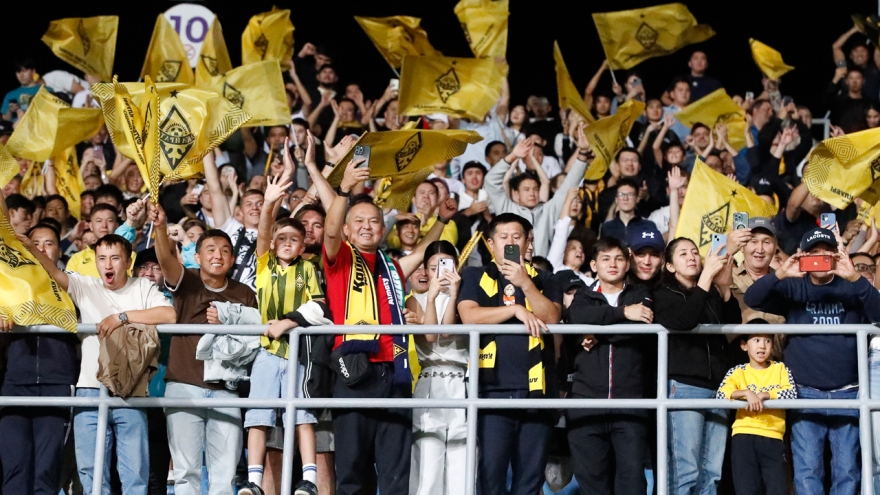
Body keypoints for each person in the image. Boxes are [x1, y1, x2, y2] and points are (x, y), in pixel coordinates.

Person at [321, 157, 447, 495]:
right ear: (348, 230)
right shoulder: (340, 259)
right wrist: (345, 190)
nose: (367, 226)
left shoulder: (390, 266)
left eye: (374, 221)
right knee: (352, 471)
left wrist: (442, 220)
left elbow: (422, 252)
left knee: (395, 472)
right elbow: (330, 230)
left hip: (395, 373)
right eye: (359, 221)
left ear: (383, 228)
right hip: (355, 372)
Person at [22, 233, 176, 495]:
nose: (108, 264)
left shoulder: (143, 287)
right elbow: (54, 272)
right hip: (90, 390)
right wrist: (31, 248)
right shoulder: (86, 285)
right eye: (102, 258)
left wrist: (121, 317)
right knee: (91, 473)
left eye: (115, 258)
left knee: (135, 473)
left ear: (128, 262)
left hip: (131, 392)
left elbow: (169, 314)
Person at [744, 227, 880, 495]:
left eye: (826, 252)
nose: (820, 257)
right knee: (807, 469)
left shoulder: (852, 285)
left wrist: (854, 276)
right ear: (802, 256)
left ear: (837, 255)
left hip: (848, 391)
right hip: (804, 391)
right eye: (813, 252)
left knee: (848, 470)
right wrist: (782, 273)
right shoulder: (793, 284)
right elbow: (752, 298)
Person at [150, 204, 258, 495]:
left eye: (224, 251)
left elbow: (253, 340)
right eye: (210, 250)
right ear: (197, 257)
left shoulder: (245, 293)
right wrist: (160, 228)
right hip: (184, 385)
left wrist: (227, 321)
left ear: (232, 259)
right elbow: (165, 260)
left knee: (225, 474)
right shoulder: (188, 280)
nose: (217, 255)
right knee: (186, 473)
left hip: (226, 389)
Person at [458, 213, 562, 495]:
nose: (510, 243)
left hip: (538, 392)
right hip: (491, 390)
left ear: (528, 242)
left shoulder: (546, 278)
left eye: (517, 237)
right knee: (490, 476)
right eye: (503, 237)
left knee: (530, 479)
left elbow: (551, 317)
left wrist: (525, 284)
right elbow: (469, 316)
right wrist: (515, 310)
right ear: (491, 244)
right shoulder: (474, 275)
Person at [238, 172, 323, 495]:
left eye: (294, 239)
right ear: (273, 244)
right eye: (282, 238)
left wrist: (288, 322)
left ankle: (309, 479)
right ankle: (254, 481)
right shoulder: (266, 266)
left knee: (302, 416)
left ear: (302, 246)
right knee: (258, 416)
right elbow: (263, 231)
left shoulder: (308, 270)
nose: (287, 243)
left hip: (299, 354)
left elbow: (319, 307)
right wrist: (270, 203)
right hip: (267, 351)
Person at [565, 237, 654, 495]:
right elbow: (576, 317)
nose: (612, 264)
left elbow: (641, 328)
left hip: (631, 404)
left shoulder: (641, 293)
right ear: (594, 265)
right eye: (605, 259)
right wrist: (623, 313)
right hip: (586, 403)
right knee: (592, 484)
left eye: (618, 259)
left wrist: (598, 332)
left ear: (627, 264)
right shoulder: (583, 296)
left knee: (632, 484)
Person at [654, 238, 742, 495]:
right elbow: (685, 320)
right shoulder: (663, 294)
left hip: (718, 387)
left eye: (694, 252)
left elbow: (733, 326)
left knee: (712, 473)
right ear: (670, 266)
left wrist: (724, 289)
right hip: (685, 387)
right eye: (683, 254)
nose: (692, 256)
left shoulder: (710, 292)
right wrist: (706, 279)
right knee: (686, 471)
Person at [0, 223, 78, 495]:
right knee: (15, 467)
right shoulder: (9, 285)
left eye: (49, 243)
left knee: (46, 470)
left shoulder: (73, 285)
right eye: (35, 243)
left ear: (60, 250)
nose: (41, 249)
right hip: (14, 383)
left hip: (57, 384)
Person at [405, 240, 467, 495]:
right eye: (433, 268)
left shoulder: (466, 298)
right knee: (427, 460)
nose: (439, 273)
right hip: (430, 383)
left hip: (462, 383)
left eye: (446, 266)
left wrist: (454, 296)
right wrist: (431, 297)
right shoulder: (415, 300)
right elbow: (432, 336)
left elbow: (448, 331)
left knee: (462, 462)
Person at [485, 126, 589, 257]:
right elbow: (490, 180)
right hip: (512, 266)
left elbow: (569, 185)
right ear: (516, 194)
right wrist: (513, 156)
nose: (532, 193)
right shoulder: (507, 209)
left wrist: (583, 153)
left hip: (542, 267)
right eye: (526, 189)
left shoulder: (548, 210)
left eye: (535, 189)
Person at [716, 335, 797, 495]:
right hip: (743, 437)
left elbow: (791, 393)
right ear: (744, 346)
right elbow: (721, 394)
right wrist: (746, 393)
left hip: (773, 436)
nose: (762, 346)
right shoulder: (738, 371)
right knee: (746, 489)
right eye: (756, 340)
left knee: (778, 489)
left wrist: (766, 395)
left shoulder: (780, 369)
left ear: (773, 346)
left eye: (767, 341)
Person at [203, 151, 262, 290]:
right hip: (228, 297)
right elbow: (214, 188)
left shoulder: (276, 235)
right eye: (249, 204)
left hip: (258, 300)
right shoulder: (230, 228)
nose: (254, 208)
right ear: (240, 211)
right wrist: (205, 148)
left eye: (260, 204)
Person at [727, 218, 786, 325]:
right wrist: (728, 250)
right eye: (753, 241)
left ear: (775, 247)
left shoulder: (785, 281)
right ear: (742, 247)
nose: (759, 249)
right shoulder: (727, 278)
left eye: (766, 242)